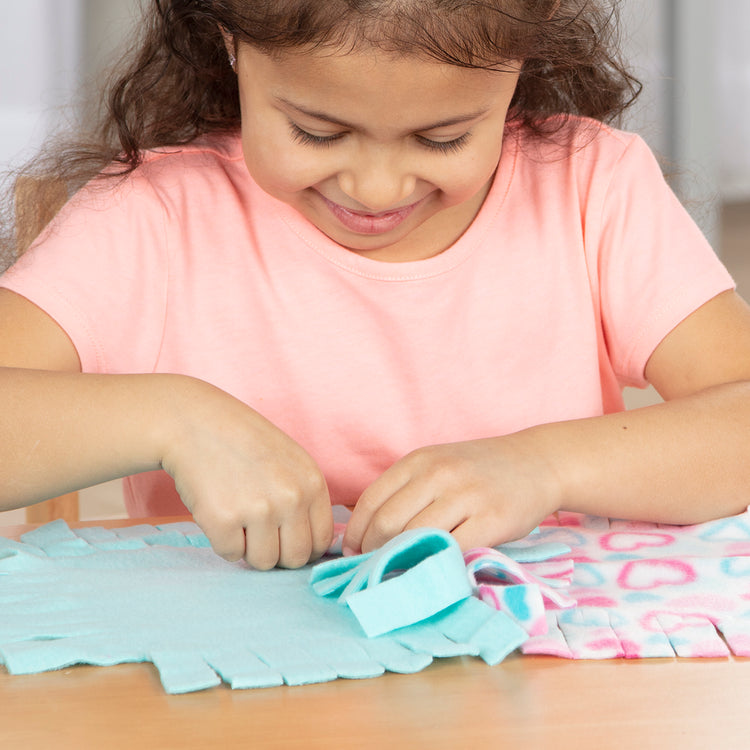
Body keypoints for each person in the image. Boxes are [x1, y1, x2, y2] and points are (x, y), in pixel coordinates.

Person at [1, 0, 749, 571]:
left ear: (524, 56)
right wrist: (169, 418)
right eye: (318, 133)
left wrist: (546, 467)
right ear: (232, 42)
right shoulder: (154, 221)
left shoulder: (591, 189)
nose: (376, 186)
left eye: (443, 137)